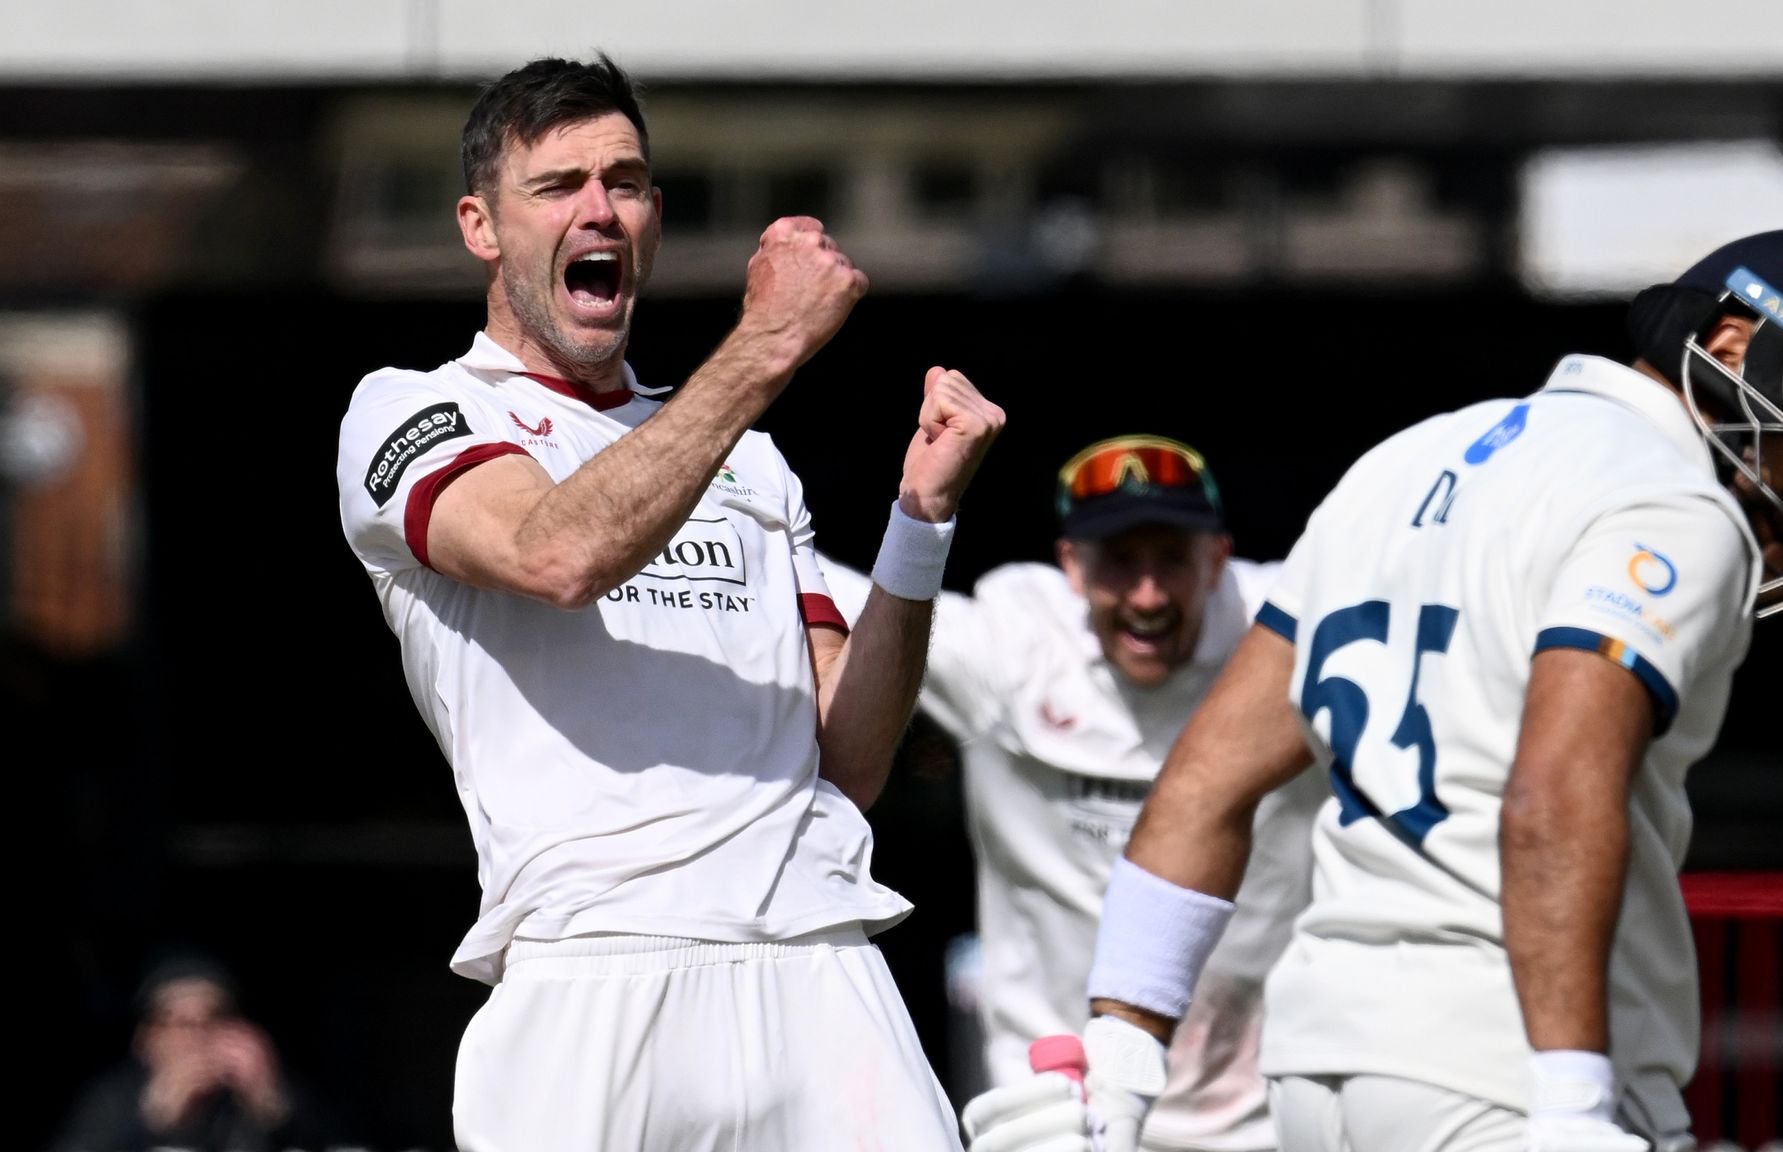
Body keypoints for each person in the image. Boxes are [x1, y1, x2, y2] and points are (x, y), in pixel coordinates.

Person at [959, 228, 1783, 1152]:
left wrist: (1120, 1073)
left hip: (1315, 1074)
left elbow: (1203, 781)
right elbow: (1553, 797)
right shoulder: (1672, 500)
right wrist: (1567, 1105)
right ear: (1731, 345)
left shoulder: (1406, 456)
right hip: (1502, 1072)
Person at [333, 54, 1004, 1151]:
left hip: (819, 960)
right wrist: (768, 344)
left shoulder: (752, 461)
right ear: (480, 227)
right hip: (593, 966)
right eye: (558, 187)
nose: (601, 208)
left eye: (627, 182)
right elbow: (558, 555)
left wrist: (918, 529)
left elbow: (847, 759)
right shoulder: (412, 412)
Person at [820, 434, 1323, 1152]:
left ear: (1217, 560)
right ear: (1071, 567)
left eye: (1171, 560)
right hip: (1048, 1109)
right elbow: (789, 574)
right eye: (1120, 561)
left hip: (1264, 1116)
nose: (1147, 595)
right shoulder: (1013, 645)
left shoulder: (1295, 637)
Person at [48, 951, 343, 1152]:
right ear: (146, 1040)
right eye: (179, 1021)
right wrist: (149, 1121)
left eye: (214, 1017)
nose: (198, 1035)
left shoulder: (268, 1095)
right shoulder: (111, 1099)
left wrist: (272, 1105)